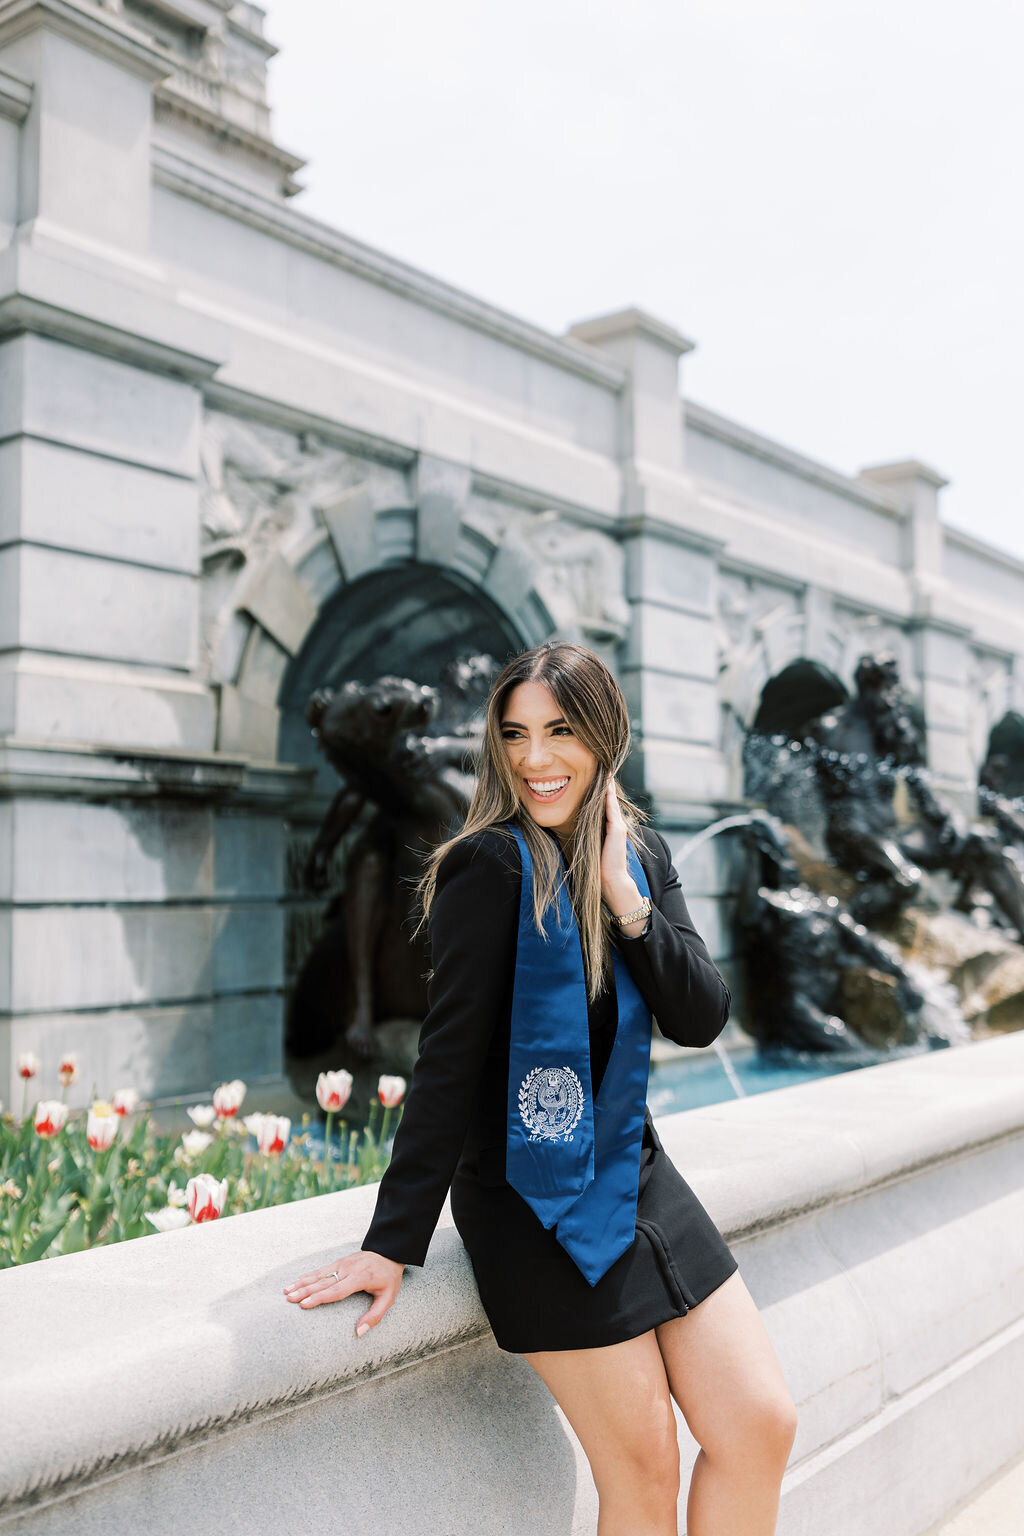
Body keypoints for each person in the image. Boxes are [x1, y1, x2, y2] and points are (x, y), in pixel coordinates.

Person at [284, 641, 798, 1535]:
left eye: (559, 732)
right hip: (532, 1200)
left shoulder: (637, 852)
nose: (533, 759)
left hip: (637, 1179)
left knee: (760, 1425)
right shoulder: (486, 869)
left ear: (605, 736)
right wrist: (392, 1240)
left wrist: (626, 903)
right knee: (641, 1469)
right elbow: (444, 1064)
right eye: (515, 734)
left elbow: (702, 1016)